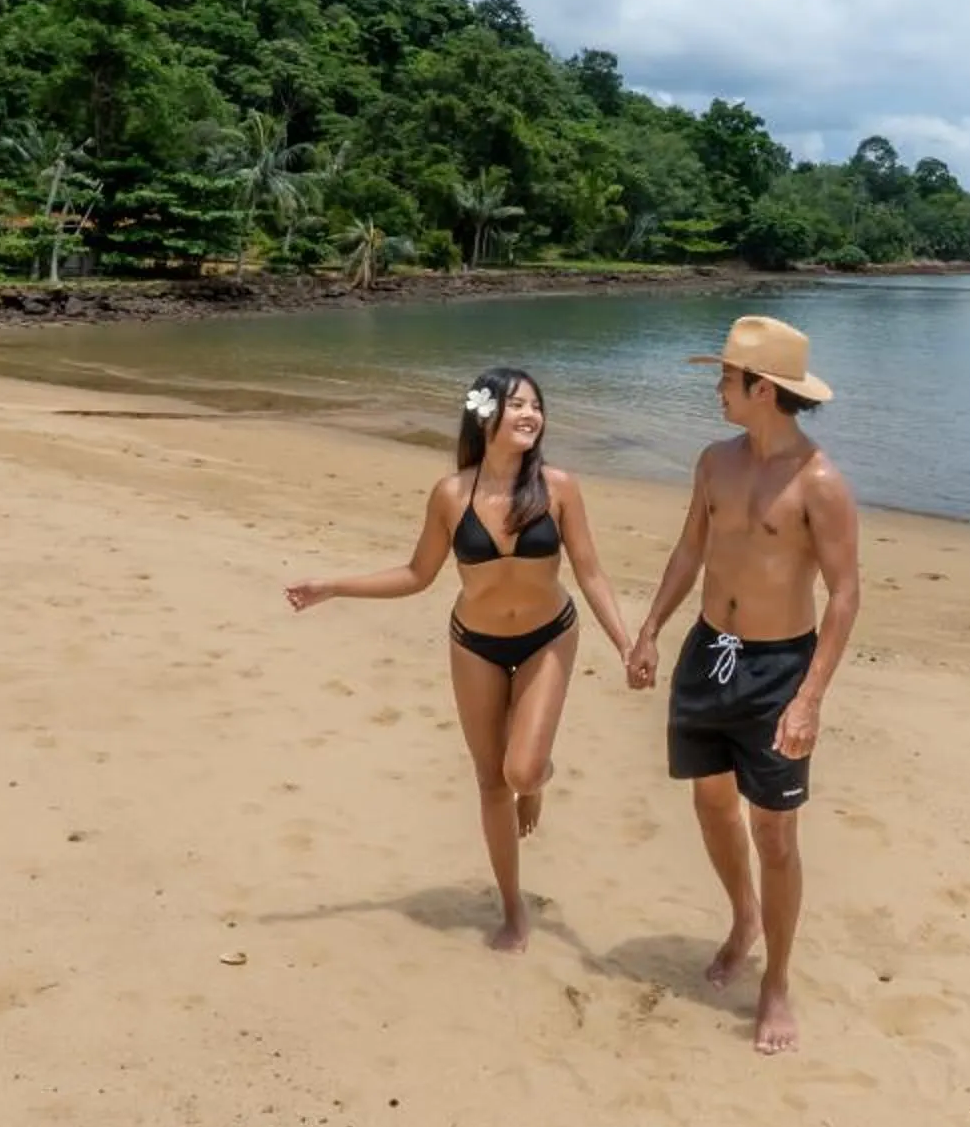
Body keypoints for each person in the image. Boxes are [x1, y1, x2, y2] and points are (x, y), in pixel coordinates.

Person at [283, 367, 635, 953]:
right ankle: (513, 908)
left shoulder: (560, 487)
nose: (530, 415)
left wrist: (626, 643)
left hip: (549, 634)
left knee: (521, 771)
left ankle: (540, 777)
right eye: (516, 405)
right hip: (474, 643)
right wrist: (335, 586)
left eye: (535, 406)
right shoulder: (452, 494)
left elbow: (591, 573)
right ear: (484, 415)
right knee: (490, 779)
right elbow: (418, 574)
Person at [624, 315, 863, 1055]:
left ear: (763, 390)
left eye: (726, 379)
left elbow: (846, 593)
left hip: (776, 668)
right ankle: (744, 918)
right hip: (710, 654)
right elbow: (691, 549)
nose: (718, 390)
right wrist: (650, 629)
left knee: (776, 833)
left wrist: (809, 698)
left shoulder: (819, 483)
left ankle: (777, 980)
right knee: (709, 803)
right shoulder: (713, 462)